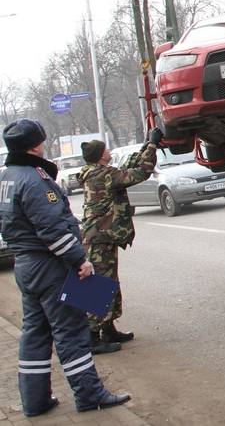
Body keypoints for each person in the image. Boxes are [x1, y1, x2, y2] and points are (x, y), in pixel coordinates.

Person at [0, 119, 132, 416]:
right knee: (72, 331)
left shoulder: (6, 176)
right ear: (36, 145)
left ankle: (34, 401)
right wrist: (79, 260)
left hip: (26, 265)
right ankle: (90, 395)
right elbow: (53, 229)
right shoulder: (35, 179)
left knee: (35, 334)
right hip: (51, 267)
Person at [79, 130, 160, 353]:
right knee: (98, 285)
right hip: (99, 237)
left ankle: (108, 329)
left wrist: (145, 145)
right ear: (99, 156)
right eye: (105, 149)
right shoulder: (103, 175)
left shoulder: (97, 172)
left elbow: (126, 169)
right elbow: (140, 172)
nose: (109, 151)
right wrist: (152, 148)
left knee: (109, 282)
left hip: (102, 236)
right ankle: (92, 337)